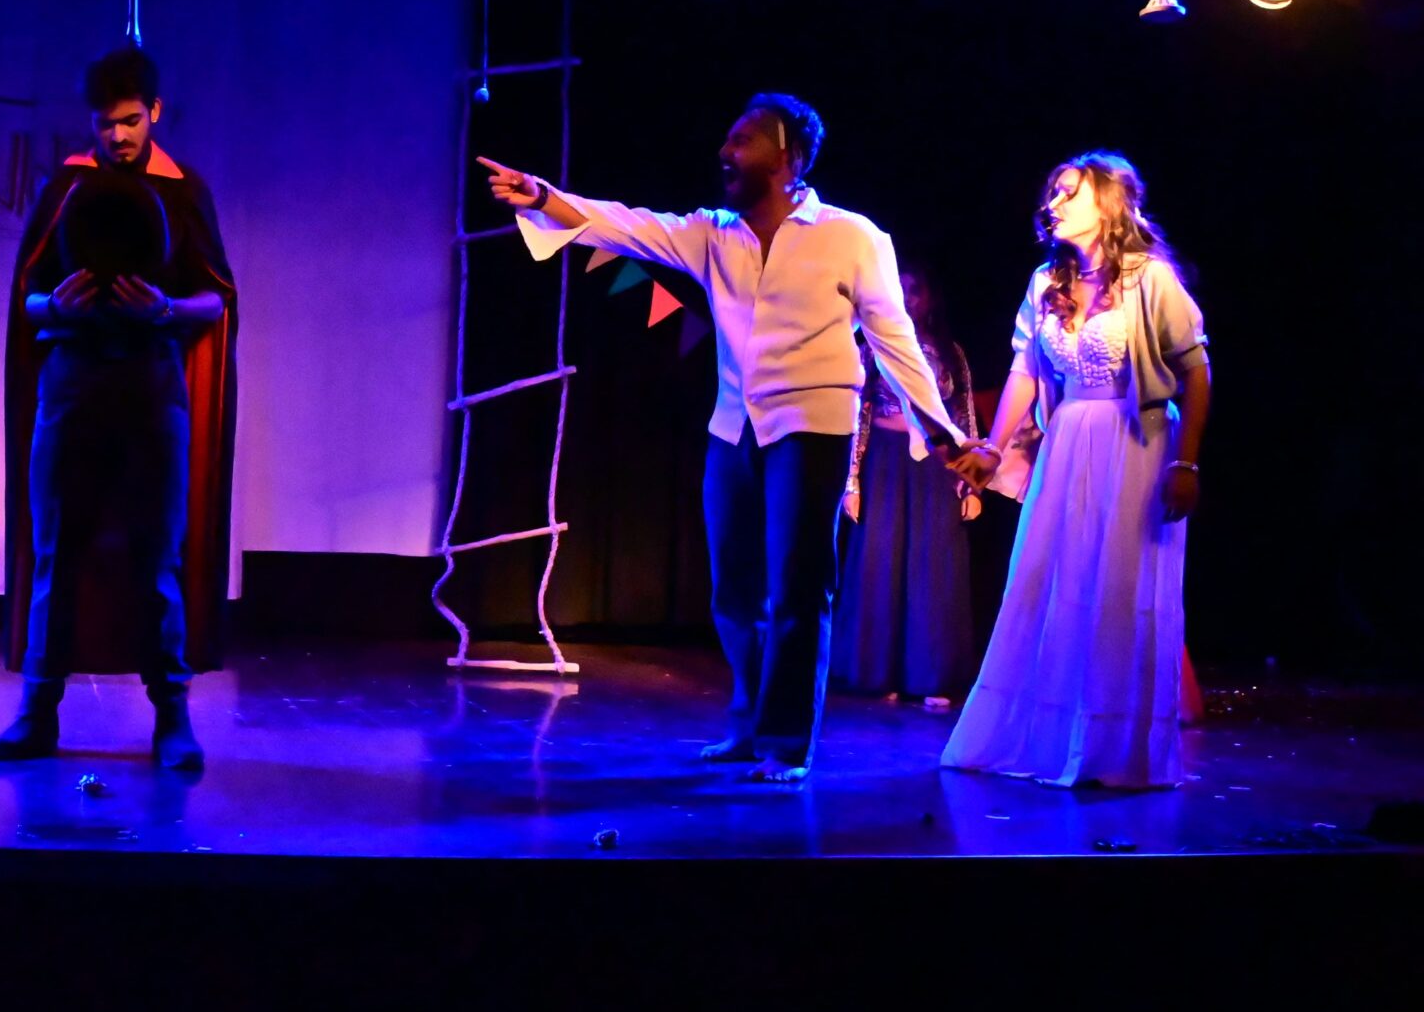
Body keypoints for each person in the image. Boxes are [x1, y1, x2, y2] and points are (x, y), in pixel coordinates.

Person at [482, 95, 970, 782]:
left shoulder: (853, 237)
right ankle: (746, 724)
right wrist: (542, 196)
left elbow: (896, 343)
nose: (725, 151)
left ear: (788, 158)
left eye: (742, 140)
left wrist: (944, 435)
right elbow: (627, 226)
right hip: (734, 427)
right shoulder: (713, 234)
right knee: (734, 591)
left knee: (798, 589)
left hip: (812, 426)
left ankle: (785, 743)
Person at [0, 43, 240, 771]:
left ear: (154, 112)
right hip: (71, 384)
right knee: (56, 550)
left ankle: (173, 719)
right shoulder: (68, 186)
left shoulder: (183, 189)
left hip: (152, 385)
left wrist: (164, 308)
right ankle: (37, 713)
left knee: (158, 554)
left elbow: (216, 297)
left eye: (131, 121)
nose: (119, 136)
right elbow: (27, 297)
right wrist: (54, 306)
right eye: (106, 123)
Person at [943, 152, 1209, 789]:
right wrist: (992, 448)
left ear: (1109, 204)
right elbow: (1024, 371)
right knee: (1053, 579)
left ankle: (1113, 747)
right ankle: (1049, 740)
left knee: (1118, 589)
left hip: (1136, 440)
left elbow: (1197, 371)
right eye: (1053, 193)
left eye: (1070, 192)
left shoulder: (1149, 279)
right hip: (1067, 441)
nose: (1054, 203)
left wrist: (1186, 461)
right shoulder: (1045, 282)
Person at [835, 268, 982, 706]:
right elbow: (856, 413)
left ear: (931, 299)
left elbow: (964, 415)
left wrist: (971, 482)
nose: (909, 297)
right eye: (901, 289)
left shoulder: (950, 353)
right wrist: (851, 481)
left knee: (932, 568)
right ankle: (881, 673)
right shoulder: (872, 346)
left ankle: (931, 675)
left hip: (935, 466)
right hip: (885, 460)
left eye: (917, 290)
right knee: (882, 564)